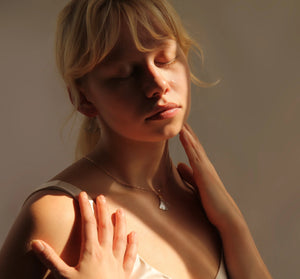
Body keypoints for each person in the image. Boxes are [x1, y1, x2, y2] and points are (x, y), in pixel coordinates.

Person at [0, 0, 273, 278]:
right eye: (125, 73)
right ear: (83, 98)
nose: (158, 84)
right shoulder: (60, 217)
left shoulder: (206, 205)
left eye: (165, 59)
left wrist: (232, 225)